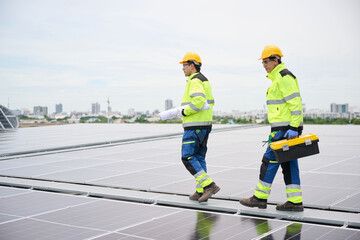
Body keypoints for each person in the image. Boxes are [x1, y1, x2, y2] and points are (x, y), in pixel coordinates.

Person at [239, 45, 304, 211]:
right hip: (283, 128)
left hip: (284, 129)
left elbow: (295, 104)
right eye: (262, 62)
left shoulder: (284, 76)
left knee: (269, 161)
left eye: (266, 61)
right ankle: (295, 201)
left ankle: (260, 198)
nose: (264, 65)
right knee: (289, 164)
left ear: (276, 60)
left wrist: (294, 127)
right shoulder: (277, 78)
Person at [179, 52, 220, 203]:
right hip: (204, 125)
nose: (182, 68)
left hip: (194, 126)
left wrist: (184, 111)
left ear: (192, 65)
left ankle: (209, 185)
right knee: (199, 157)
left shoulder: (194, 80)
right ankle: (201, 189)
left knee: (187, 157)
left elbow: (198, 101)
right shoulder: (204, 80)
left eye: (184, 65)